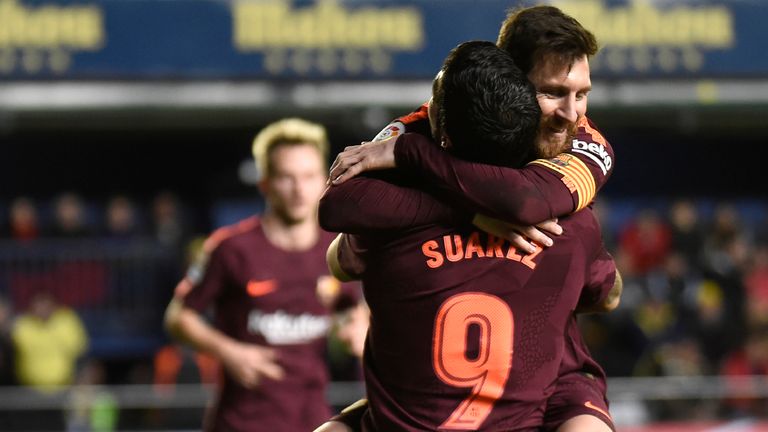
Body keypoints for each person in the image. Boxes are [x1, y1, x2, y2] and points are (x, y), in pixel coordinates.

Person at [322, 5, 618, 432]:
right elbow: (339, 207)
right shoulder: (426, 123)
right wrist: (476, 212)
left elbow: (528, 204)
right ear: (508, 79)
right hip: (432, 395)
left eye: (582, 93)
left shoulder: (586, 144)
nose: (573, 114)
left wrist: (416, 164)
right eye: (553, 92)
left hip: (554, 384)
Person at [164, 118, 362, 432]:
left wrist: (357, 324)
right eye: (287, 178)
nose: (299, 190)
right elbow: (178, 316)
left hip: (312, 419)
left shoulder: (339, 247)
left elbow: (352, 308)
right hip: (242, 421)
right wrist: (230, 352)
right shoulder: (230, 248)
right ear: (265, 183)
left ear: (324, 180)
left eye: (309, 176)